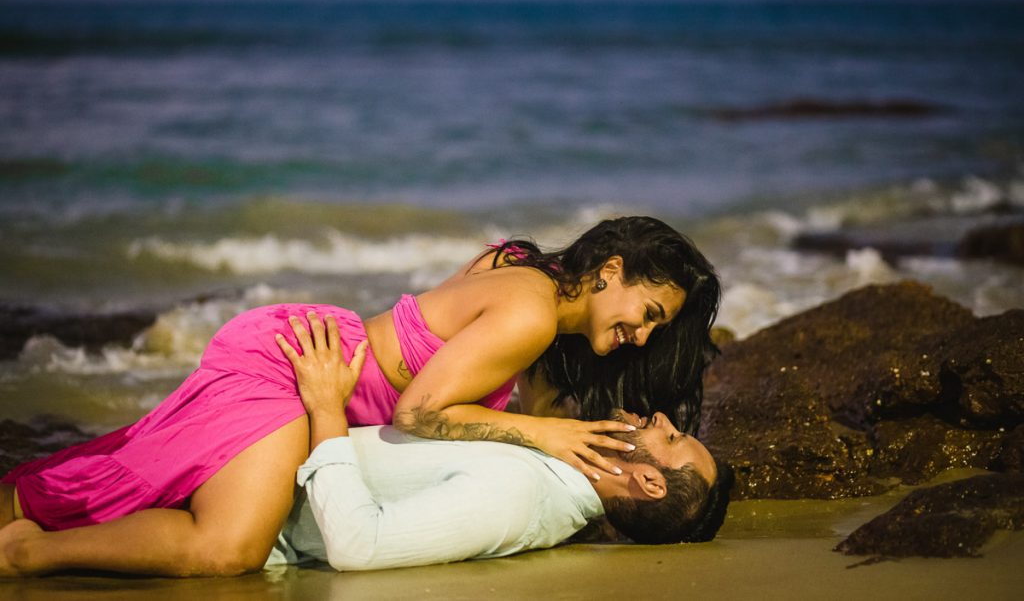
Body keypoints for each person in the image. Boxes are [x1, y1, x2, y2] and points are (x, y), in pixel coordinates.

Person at [1, 215, 721, 575]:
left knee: (143, 472)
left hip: (312, 357)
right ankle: (27, 554)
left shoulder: (522, 270)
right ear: (612, 269)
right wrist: (545, 435)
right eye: (649, 312)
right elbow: (418, 411)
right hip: (306, 370)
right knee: (229, 548)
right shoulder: (531, 313)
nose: (642, 333)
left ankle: (22, 513)